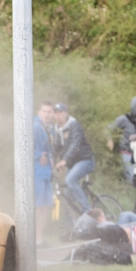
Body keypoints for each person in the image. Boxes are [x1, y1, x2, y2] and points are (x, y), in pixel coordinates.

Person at [53, 103, 95, 214]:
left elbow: (75, 143)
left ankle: (88, 212)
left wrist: (64, 160)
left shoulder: (74, 125)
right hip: (72, 164)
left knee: (70, 181)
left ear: (66, 113)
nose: (58, 115)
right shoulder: (57, 130)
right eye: (56, 113)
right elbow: (55, 149)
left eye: (60, 112)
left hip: (85, 160)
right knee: (67, 197)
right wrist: (52, 164)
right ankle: (70, 226)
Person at [107, 96, 136, 184]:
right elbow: (108, 129)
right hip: (127, 152)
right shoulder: (124, 119)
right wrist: (109, 140)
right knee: (132, 177)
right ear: (135, 106)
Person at [34, 102, 55, 245]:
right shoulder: (35, 126)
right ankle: (33, 238)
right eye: (44, 111)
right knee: (37, 205)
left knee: (45, 206)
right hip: (37, 171)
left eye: (49, 112)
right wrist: (37, 155)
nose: (47, 114)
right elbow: (25, 143)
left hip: (46, 172)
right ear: (39, 112)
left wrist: (52, 158)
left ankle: (39, 239)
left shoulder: (50, 128)